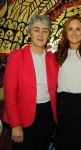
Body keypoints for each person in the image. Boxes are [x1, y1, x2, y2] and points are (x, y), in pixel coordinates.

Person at [2, 14, 58, 150]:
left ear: (48, 35)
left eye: (45, 30)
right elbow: (9, 94)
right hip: (22, 118)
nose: (40, 34)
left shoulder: (54, 59)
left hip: (47, 116)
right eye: (36, 29)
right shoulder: (16, 56)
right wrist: (15, 125)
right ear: (29, 33)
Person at [55, 15, 81, 150]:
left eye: (78, 29)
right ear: (66, 32)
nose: (74, 33)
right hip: (64, 108)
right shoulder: (58, 54)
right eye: (70, 29)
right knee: (65, 145)